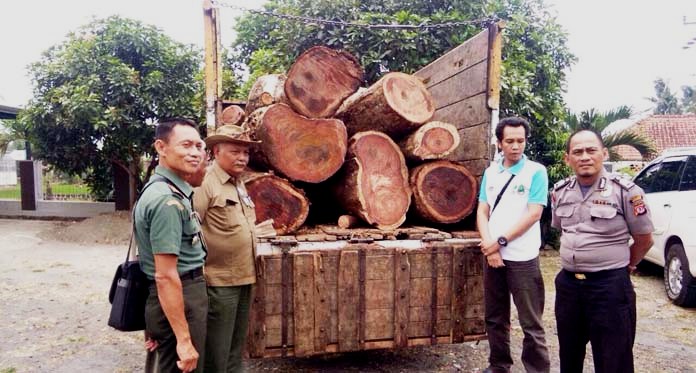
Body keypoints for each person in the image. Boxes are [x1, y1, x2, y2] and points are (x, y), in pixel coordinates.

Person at [551, 129, 654, 373]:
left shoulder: (626, 192)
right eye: (577, 152)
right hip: (568, 287)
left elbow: (644, 239)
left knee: (613, 358)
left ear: (604, 153)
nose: (584, 156)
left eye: (591, 150)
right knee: (569, 354)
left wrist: (626, 265)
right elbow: (562, 231)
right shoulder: (560, 191)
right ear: (568, 158)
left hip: (609, 288)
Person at [476, 116, 550, 373]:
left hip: (523, 258)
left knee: (531, 322)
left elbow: (533, 214)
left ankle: (537, 370)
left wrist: (499, 243)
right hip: (493, 256)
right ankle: (498, 365)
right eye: (510, 141)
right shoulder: (490, 172)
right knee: (495, 317)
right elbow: (482, 210)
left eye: (520, 140)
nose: (516, 146)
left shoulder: (536, 172)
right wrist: (488, 245)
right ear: (499, 143)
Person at [134, 118, 208, 373]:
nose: (195, 152)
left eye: (199, 146)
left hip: (178, 297)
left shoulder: (168, 190)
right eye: (186, 145)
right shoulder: (167, 200)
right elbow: (165, 276)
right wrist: (184, 340)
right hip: (179, 295)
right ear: (161, 147)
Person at [193, 124, 259, 373]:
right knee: (216, 351)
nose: (242, 157)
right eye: (235, 151)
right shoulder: (205, 183)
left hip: (245, 276)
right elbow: (191, 231)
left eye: (246, 152)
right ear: (216, 151)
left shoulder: (238, 183)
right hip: (219, 282)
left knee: (235, 348)